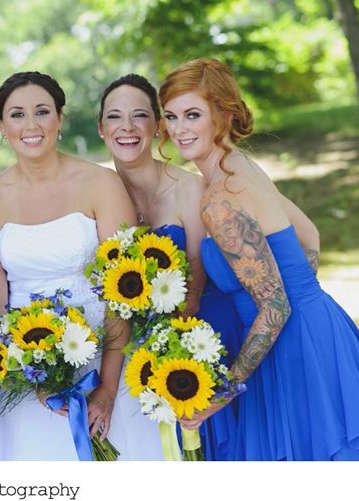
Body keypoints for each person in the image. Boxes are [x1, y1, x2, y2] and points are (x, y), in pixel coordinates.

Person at [160, 57, 359, 460]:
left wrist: (222, 394)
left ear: (223, 113)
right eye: (171, 116)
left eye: (192, 115)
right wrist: (306, 305)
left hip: (289, 346)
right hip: (320, 326)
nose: (179, 129)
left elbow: (274, 306)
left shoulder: (219, 201)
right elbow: (310, 235)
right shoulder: (240, 165)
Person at [0, 71, 162, 460]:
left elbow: (123, 288)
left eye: (42, 111)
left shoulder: (101, 184)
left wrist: (107, 387)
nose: (31, 125)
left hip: (109, 354)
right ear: (1, 125)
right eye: (17, 115)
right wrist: (32, 373)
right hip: (27, 371)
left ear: (59, 117)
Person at [97, 73, 241, 459]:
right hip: (130, 351)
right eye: (114, 117)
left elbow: (195, 280)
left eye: (139, 116)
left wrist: (168, 352)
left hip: (194, 338)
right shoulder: (97, 195)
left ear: (157, 125)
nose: (126, 128)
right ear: (101, 128)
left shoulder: (187, 188)